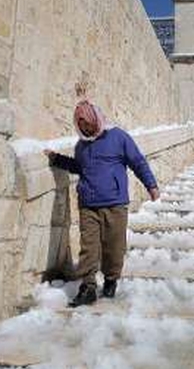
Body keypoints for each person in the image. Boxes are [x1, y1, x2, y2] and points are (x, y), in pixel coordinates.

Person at [45, 100, 159, 307]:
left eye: (87, 123)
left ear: (96, 119)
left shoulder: (118, 137)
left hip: (115, 203)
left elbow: (138, 162)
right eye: (81, 125)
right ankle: (87, 287)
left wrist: (151, 185)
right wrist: (57, 159)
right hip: (88, 203)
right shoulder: (81, 145)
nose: (85, 128)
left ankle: (111, 279)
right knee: (88, 248)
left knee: (114, 248)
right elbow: (78, 167)